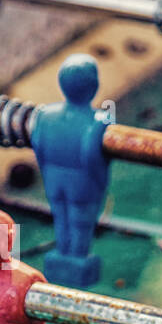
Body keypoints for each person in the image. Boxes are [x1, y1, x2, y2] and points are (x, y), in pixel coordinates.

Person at [30, 53, 110, 288]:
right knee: (81, 223)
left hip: (54, 178)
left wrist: (48, 173)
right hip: (82, 182)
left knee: (61, 218)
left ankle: (61, 255)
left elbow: (39, 146)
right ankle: (76, 261)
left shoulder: (45, 115)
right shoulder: (98, 121)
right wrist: (99, 183)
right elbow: (93, 157)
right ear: (93, 86)